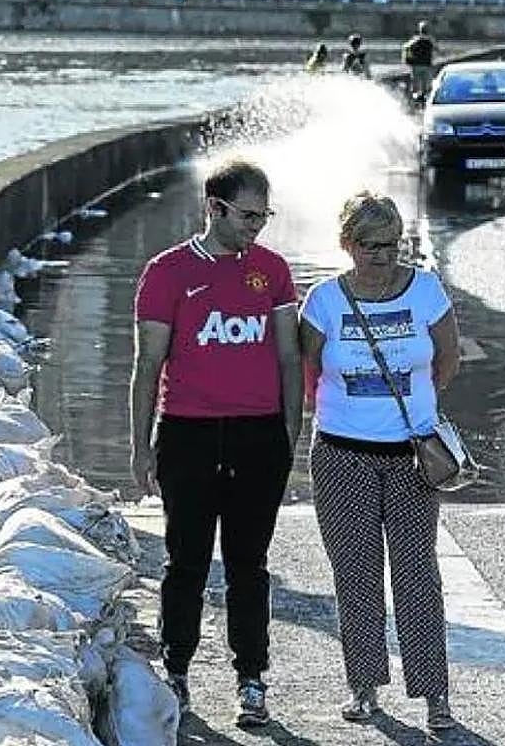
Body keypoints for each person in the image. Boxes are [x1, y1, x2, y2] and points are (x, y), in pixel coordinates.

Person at [130, 158, 302, 729]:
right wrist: (141, 444)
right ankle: (175, 671)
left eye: (264, 215)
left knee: (250, 565)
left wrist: (289, 434)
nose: (258, 225)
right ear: (215, 208)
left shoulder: (272, 271)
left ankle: (251, 678)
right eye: (249, 215)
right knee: (187, 561)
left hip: (258, 434)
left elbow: (286, 356)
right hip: (189, 433)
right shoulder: (167, 272)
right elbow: (148, 362)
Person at [298, 191, 461, 735]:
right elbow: (308, 373)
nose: (382, 256)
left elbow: (447, 357)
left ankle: (434, 693)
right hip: (342, 455)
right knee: (356, 575)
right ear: (347, 245)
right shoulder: (323, 301)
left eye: (391, 245)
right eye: (369, 246)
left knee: (418, 575)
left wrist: (419, 409)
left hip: (410, 456)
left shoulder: (426, 290)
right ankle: (364, 686)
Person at [403, 20, 437, 102]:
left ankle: (415, 100)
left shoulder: (415, 40)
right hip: (426, 65)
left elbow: (406, 48)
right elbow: (436, 50)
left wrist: (407, 60)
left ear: (420, 30)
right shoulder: (430, 40)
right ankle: (424, 99)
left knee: (416, 86)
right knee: (426, 86)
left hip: (416, 65)